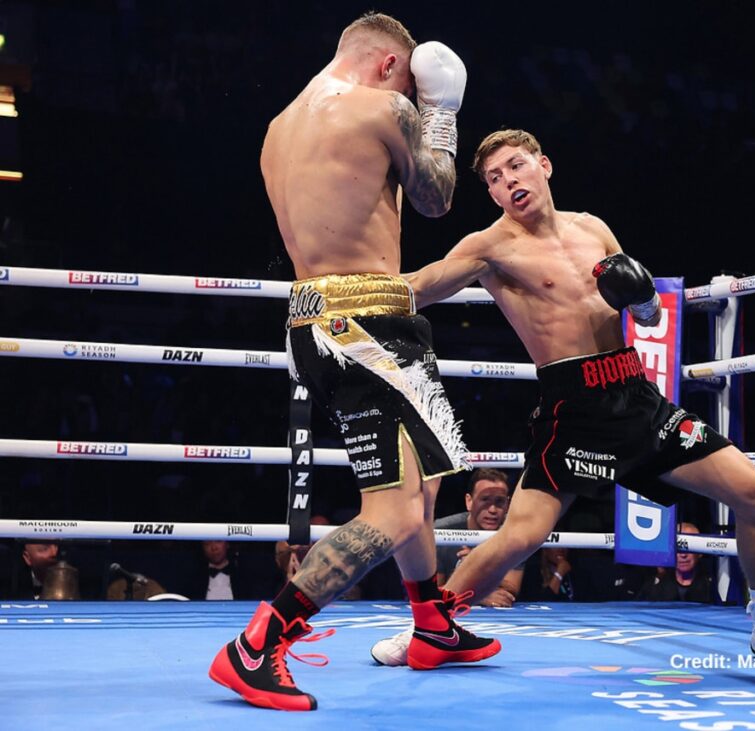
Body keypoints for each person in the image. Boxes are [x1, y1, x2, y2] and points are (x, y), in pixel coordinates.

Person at [372, 128, 755, 665]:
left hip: (635, 395)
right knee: (520, 536)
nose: (509, 182)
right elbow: (422, 285)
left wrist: (642, 301)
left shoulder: (592, 227)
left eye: (516, 166)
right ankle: (429, 631)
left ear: (543, 166)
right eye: (496, 179)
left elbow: (648, 313)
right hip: (573, 409)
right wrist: (351, 292)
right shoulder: (490, 247)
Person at [209, 13, 497, 712]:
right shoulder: (386, 106)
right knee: (395, 511)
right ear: (392, 66)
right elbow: (435, 197)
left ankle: (432, 623)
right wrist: (442, 113)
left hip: (321, 318)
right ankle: (256, 645)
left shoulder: (278, 128)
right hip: (367, 323)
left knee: (424, 482)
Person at [434, 468, 524, 606]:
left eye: (499, 501)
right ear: (469, 501)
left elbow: (511, 589)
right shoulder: (440, 531)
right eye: (485, 500)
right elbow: (432, 592)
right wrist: (476, 596)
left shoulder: (515, 532)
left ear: (508, 504)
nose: (493, 510)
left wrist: (478, 564)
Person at [638, 522, 714, 602]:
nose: (683, 555)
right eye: (678, 549)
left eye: (688, 548)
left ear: (700, 552)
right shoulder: (655, 585)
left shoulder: (713, 585)